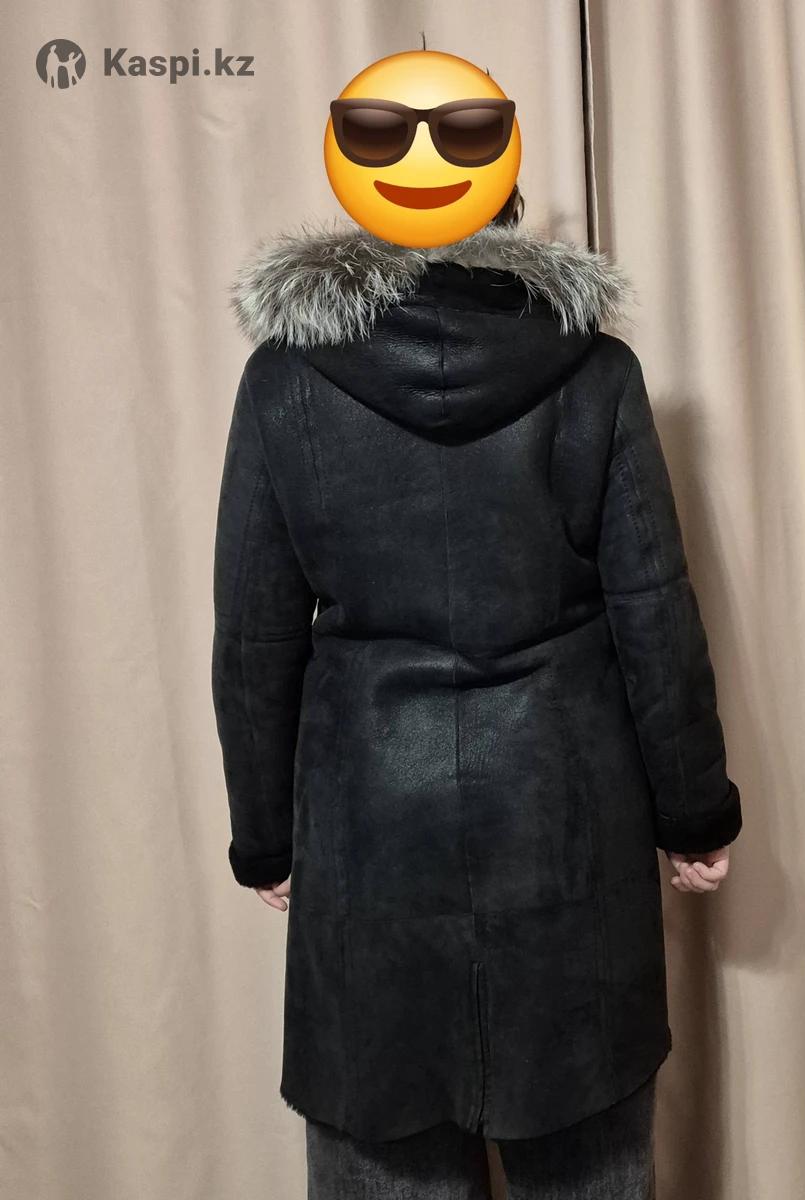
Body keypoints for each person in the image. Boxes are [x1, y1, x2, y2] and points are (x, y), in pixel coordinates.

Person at [211, 183, 742, 1198]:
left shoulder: (284, 379)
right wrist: (692, 812)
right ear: (504, 209)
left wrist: (265, 835)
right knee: (585, 1161)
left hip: (370, 833)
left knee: (384, 1159)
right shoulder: (595, 371)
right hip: (563, 822)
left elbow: (253, 633)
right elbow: (652, 610)